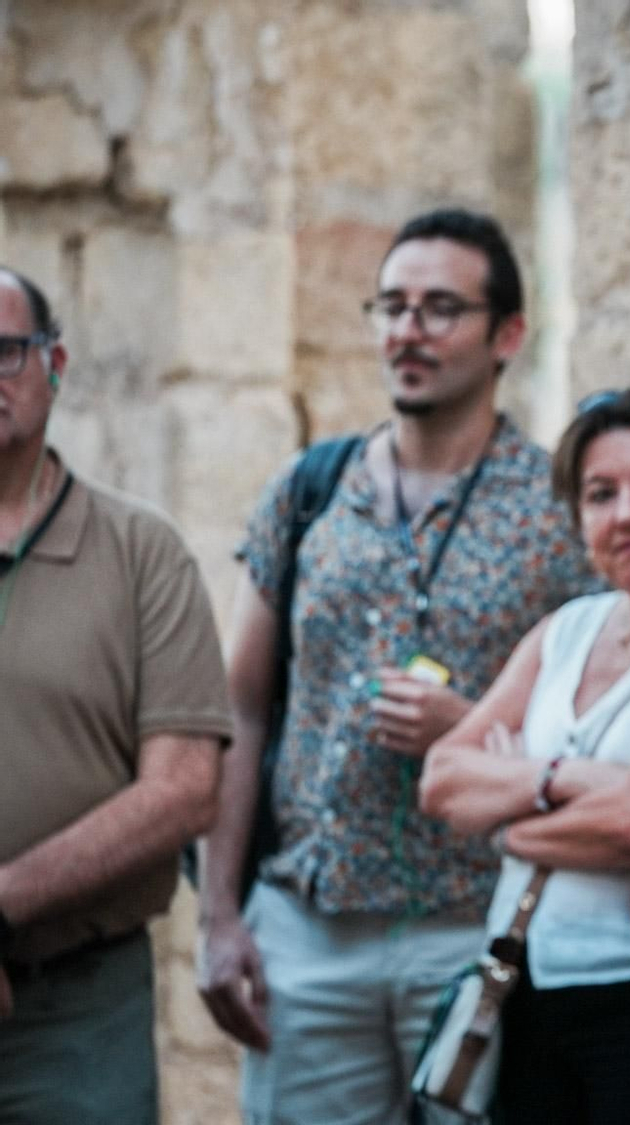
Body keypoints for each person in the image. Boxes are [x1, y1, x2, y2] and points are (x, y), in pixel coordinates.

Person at [195, 209, 600, 1125]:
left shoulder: (561, 510)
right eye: (392, 306)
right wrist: (220, 915)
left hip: (479, 926)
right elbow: (239, 707)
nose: (408, 330)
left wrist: (468, 727)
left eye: (440, 308)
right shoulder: (308, 489)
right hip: (307, 928)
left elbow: (605, 724)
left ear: (508, 335)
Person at [418, 383, 630, 1122]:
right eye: (601, 494)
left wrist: (505, 819)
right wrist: (561, 779)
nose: (626, 514)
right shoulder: (568, 628)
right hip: (521, 980)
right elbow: (440, 778)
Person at [0, 267, 231, 1122]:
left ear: (54, 365)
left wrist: (1, 903)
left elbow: (184, 789)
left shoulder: (142, 552)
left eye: (4, 352)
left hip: (76, 1006)